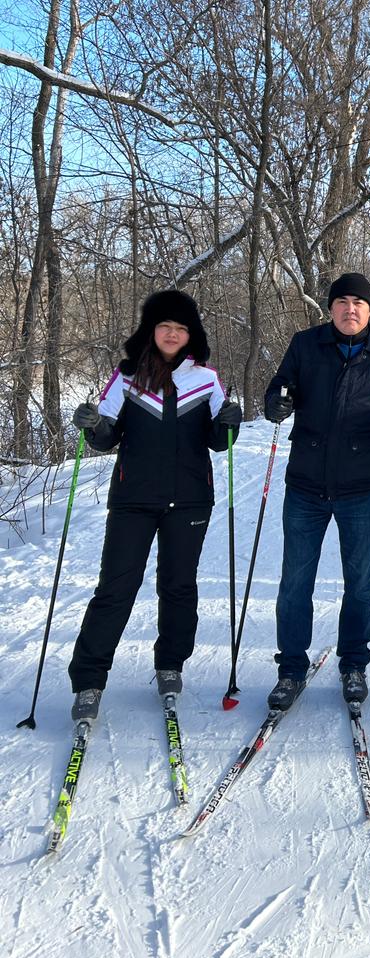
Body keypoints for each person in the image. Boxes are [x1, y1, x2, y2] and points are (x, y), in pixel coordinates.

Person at [68, 290, 241, 722]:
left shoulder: (206, 379)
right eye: (165, 326)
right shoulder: (126, 377)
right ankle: (89, 679)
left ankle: (170, 664)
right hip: (133, 500)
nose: (172, 334)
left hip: (190, 500)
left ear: (190, 335)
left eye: (181, 328)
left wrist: (229, 423)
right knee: (115, 589)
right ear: (152, 330)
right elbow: (107, 436)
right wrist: (91, 426)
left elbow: (219, 443)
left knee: (179, 586)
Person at [263, 272, 370, 709]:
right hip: (306, 483)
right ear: (330, 308)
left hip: (360, 485)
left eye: (359, 303)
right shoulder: (305, 344)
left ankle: (353, 664)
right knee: (294, 582)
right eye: (343, 301)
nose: (351, 309)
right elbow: (277, 389)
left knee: (360, 583)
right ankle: (291, 669)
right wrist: (276, 404)